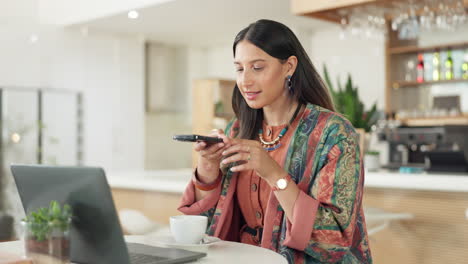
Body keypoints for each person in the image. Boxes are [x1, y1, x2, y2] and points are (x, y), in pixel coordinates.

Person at [178, 19, 372, 264]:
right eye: (239, 69)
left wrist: (273, 173)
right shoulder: (237, 129)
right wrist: (207, 167)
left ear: (289, 66)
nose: (245, 81)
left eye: (257, 67)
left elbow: (333, 239)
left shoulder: (334, 133)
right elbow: (207, 226)